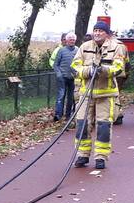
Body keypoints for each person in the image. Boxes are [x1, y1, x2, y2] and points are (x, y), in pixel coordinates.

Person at [71, 20, 126, 170]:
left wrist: (103, 70)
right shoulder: (84, 47)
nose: (96, 33)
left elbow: (119, 68)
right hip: (86, 95)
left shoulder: (116, 48)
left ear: (107, 34)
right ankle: (82, 155)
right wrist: (88, 71)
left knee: (103, 127)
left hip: (106, 95)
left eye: (100, 31)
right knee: (82, 125)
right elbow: (75, 67)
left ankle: (101, 157)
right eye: (95, 30)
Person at [52, 32, 78, 121]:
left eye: (73, 39)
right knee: (61, 95)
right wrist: (59, 74)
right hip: (62, 77)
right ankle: (58, 114)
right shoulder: (61, 50)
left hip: (73, 78)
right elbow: (56, 64)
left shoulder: (78, 50)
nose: (72, 41)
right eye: (70, 39)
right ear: (66, 40)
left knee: (71, 97)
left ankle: (68, 115)